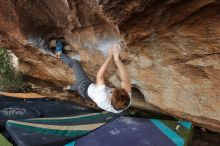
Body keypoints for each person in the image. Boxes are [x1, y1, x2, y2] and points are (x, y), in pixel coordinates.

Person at [55, 40, 131, 113]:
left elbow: (99, 76)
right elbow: (126, 80)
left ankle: (58, 54)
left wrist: (109, 57)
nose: (113, 89)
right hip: (91, 90)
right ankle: (68, 88)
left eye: (112, 91)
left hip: (84, 87)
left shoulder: (102, 98)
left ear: (110, 98)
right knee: (75, 86)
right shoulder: (125, 101)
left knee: (75, 63)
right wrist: (117, 59)